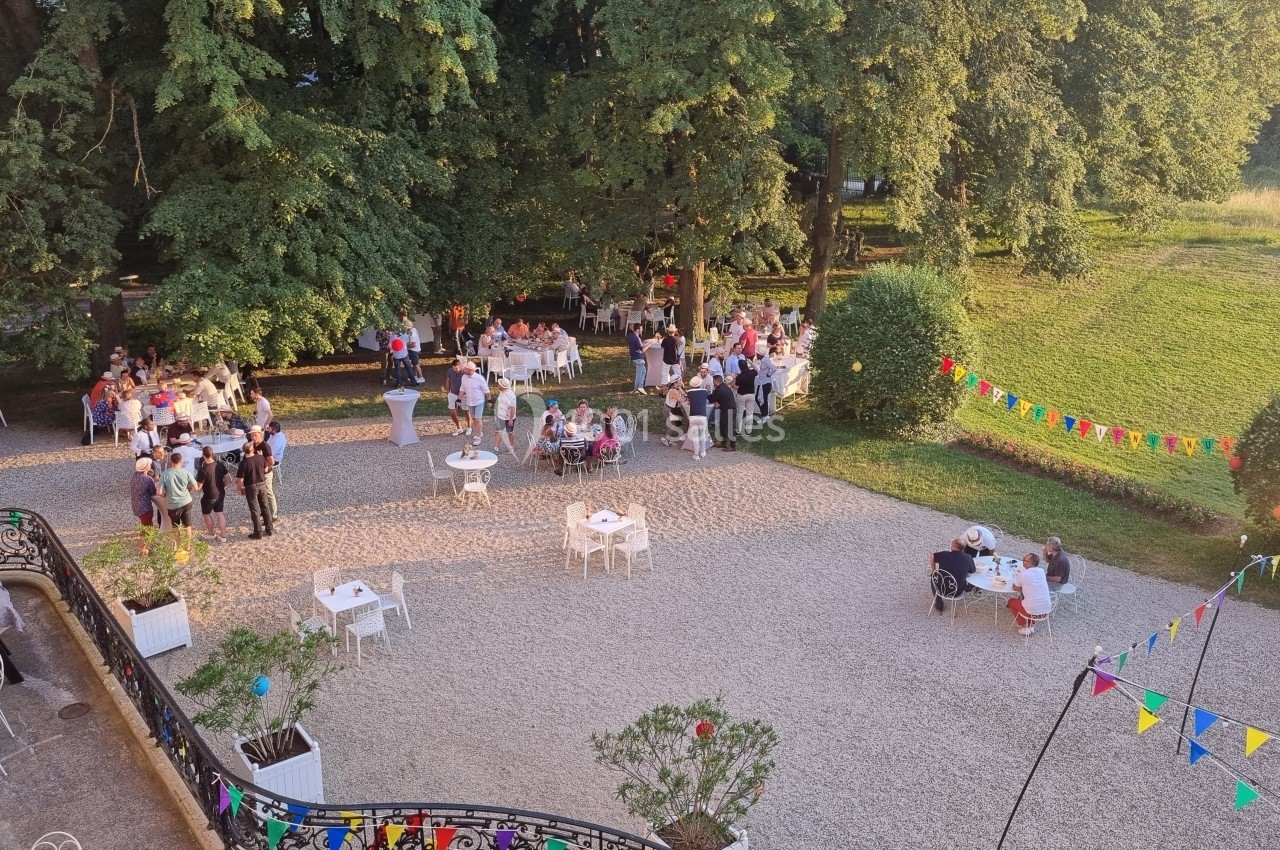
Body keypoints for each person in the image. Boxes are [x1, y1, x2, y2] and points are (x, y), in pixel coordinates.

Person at [158, 452, 197, 550]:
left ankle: (179, 546)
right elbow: (196, 487)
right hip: (186, 501)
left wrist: (165, 495)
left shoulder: (165, 474)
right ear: (181, 461)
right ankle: (188, 546)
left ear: (171, 461)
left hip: (173, 504)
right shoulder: (186, 472)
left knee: (175, 526)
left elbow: (159, 492)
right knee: (187, 525)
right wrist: (189, 492)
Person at [235, 441, 273, 539]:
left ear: (244, 451)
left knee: (254, 510)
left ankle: (258, 532)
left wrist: (240, 488)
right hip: (262, 484)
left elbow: (240, 480)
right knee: (265, 506)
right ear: (252, 450)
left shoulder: (243, 464)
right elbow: (265, 470)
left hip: (251, 487)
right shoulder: (261, 457)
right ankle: (269, 529)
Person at [1008, 553, 1052, 635]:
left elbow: (1015, 588)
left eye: (1024, 560)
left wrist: (1020, 586)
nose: (1023, 561)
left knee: (1011, 602)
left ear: (1030, 563)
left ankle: (1024, 627)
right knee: (1032, 599)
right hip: (1046, 610)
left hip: (1032, 611)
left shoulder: (1023, 574)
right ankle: (1031, 625)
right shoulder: (1042, 571)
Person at [929, 539, 976, 613]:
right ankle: (969, 588)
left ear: (953, 547)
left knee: (933, 576)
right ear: (963, 548)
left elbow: (932, 556)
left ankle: (939, 603)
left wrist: (934, 570)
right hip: (957, 592)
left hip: (941, 589)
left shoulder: (944, 554)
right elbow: (972, 572)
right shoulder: (968, 557)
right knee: (967, 578)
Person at [195, 447, 229, 543]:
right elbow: (228, 478)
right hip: (220, 493)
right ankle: (223, 536)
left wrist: (190, 489)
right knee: (220, 513)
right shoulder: (220, 465)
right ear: (212, 453)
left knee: (206, 514)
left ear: (203, 455)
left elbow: (199, 486)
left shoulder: (203, 469)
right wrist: (223, 487)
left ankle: (211, 534)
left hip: (209, 495)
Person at [247, 425, 278, 521]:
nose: (253, 437)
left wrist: (265, 469)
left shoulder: (265, 446)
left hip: (266, 473)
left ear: (260, 434)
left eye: (255, 435)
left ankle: (273, 515)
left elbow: (271, 461)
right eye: (252, 436)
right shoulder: (253, 445)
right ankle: (264, 512)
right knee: (261, 494)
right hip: (258, 474)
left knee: (269, 493)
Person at [130, 457, 158, 554]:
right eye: (149, 465)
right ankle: (144, 549)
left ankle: (146, 546)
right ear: (146, 467)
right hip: (145, 507)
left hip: (136, 506)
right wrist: (152, 477)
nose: (151, 465)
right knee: (147, 528)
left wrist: (149, 473)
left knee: (144, 526)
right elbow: (154, 492)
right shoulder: (147, 479)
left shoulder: (135, 476)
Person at [460, 361, 491, 445]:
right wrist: (459, 399)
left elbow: (486, 390)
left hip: (479, 401)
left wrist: (489, 400)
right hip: (470, 402)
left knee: (478, 419)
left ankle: (478, 437)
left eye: (466, 369)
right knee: (474, 419)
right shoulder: (464, 377)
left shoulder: (479, 378)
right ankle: (479, 432)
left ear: (471, 370)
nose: (464, 370)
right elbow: (462, 388)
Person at [710, 374, 738, 451]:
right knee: (723, 426)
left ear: (716, 381)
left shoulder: (719, 390)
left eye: (713, 381)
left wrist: (707, 392)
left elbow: (711, 399)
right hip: (726, 409)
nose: (713, 383)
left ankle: (733, 446)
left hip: (729, 410)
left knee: (730, 428)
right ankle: (723, 442)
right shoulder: (725, 386)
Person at [685, 375, 710, 460]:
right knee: (702, 435)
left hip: (693, 416)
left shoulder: (689, 392)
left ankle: (696, 454)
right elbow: (708, 395)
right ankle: (703, 452)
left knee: (695, 436)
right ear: (700, 383)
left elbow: (688, 402)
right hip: (702, 416)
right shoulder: (704, 391)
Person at [398, 313, 425, 385]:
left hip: (414, 351)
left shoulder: (412, 334)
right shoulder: (414, 329)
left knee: (416, 364)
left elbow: (413, 344)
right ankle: (415, 376)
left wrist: (405, 346)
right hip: (414, 350)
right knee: (413, 363)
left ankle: (421, 377)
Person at [493, 378, 518, 456]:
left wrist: (510, 419)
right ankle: (496, 447)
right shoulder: (502, 392)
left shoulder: (510, 395)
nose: (498, 385)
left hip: (508, 418)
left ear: (503, 386)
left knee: (510, 432)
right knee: (498, 431)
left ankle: (511, 447)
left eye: (500, 385)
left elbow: (512, 408)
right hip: (500, 416)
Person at [443, 357, 467, 436]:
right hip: (452, 393)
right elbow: (448, 380)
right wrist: (448, 391)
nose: (454, 369)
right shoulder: (450, 371)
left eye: (456, 368)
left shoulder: (465, 373)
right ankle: (459, 427)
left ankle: (469, 426)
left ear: (460, 367)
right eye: (453, 368)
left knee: (466, 411)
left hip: (463, 395)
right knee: (452, 412)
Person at [627, 323, 652, 394]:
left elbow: (636, 346)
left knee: (643, 371)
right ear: (638, 329)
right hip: (638, 358)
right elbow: (643, 349)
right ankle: (637, 388)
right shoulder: (637, 338)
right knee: (639, 373)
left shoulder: (630, 336)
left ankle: (640, 386)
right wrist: (650, 344)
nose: (642, 330)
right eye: (641, 328)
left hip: (633, 357)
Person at [660, 380, 686, 447]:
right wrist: (686, 398)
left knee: (672, 424)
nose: (681, 382)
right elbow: (681, 400)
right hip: (669, 410)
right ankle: (665, 439)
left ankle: (669, 439)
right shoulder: (673, 391)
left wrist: (683, 394)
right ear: (675, 383)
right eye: (680, 381)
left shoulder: (677, 389)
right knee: (673, 425)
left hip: (672, 409)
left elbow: (684, 395)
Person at [735, 356, 757, 432]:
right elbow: (757, 369)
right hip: (751, 395)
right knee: (749, 413)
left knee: (739, 413)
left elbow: (736, 387)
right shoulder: (752, 373)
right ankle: (748, 431)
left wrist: (731, 384)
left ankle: (738, 431)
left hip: (741, 395)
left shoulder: (739, 377)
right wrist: (752, 363)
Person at [755, 352, 777, 421]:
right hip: (762, 382)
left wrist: (769, 374)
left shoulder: (765, 360)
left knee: (760, 399)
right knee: (762, 399)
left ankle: (765, 415)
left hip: (765, 383)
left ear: (760, 354)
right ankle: (765, 415)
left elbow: (774, 368)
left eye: (757, 354)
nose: (756, 355)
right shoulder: (763, 360)